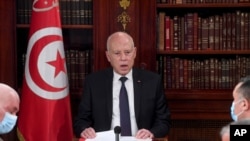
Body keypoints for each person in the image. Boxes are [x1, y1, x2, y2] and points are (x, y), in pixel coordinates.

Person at [73, 31, 171, 139]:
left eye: (127, 52)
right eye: (117, 53)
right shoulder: (93, 82)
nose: (123, 58)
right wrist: (84, 130)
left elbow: (164, 121)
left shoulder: (152, 81)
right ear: (108, 56)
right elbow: (81, 121)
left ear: (134, 53)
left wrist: (151, 132)